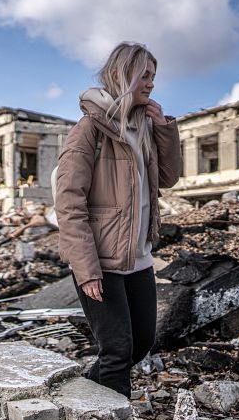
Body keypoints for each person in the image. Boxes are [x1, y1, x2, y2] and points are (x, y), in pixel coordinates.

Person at [55, 42, 181, 397]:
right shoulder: (89, 129)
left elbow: (169, 178)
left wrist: (164, 129)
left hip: (137, 259)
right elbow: (68, 202)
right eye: (145, 75)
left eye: (154, 76)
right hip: (102, 261)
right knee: (117, 350)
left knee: (141, 342)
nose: (151, 83)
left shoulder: (143, 127)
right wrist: (86, 268)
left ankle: (85, 394)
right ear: (121, 74)